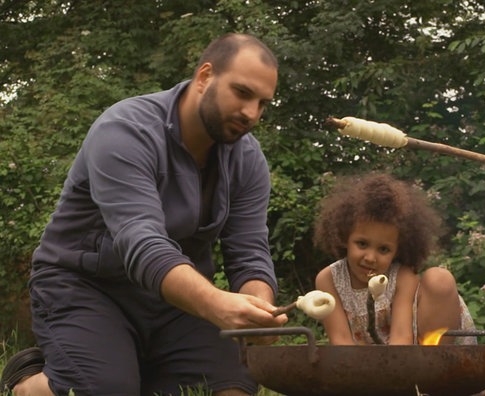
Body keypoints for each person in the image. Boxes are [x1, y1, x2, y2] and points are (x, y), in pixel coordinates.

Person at [0, 33, 288, 396]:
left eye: (263, 103)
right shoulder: (125, 130)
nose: (251, 113)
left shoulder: (248, 160)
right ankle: (30, 383)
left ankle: (137, 367)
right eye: (242, 93)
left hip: (175, 303)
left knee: (235, 386)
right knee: (107, 388)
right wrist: (217, 303)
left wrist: (257, 308)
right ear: (204, 77)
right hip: (86, 286)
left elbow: (249, 252)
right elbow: (143, 244)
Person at [313, 173, 476, 346]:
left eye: (383, 249)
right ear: (345, 237)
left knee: (439, 278)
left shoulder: (401, 277)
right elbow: (340, 341)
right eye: (362, 244)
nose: (370, 258)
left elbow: (401, 338)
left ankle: (439, 365)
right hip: (362, 364)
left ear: (397, 250)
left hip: (411, 354)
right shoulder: (328, 279)